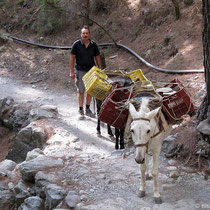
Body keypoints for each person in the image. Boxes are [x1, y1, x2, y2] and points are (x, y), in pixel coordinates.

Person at [70, 25, 102, 119]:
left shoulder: (93, 45)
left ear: (89, 34)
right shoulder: (76, 44)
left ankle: (88, 109)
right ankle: (80, 110)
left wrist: (100, 70)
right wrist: (71, 71)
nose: (85, 35)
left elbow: (97, 57)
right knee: (81, 91)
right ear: (81, 34)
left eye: (86, 33)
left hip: (91, 71)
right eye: (83, 33)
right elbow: (72, 58)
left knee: (90, 91)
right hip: (80, 70)